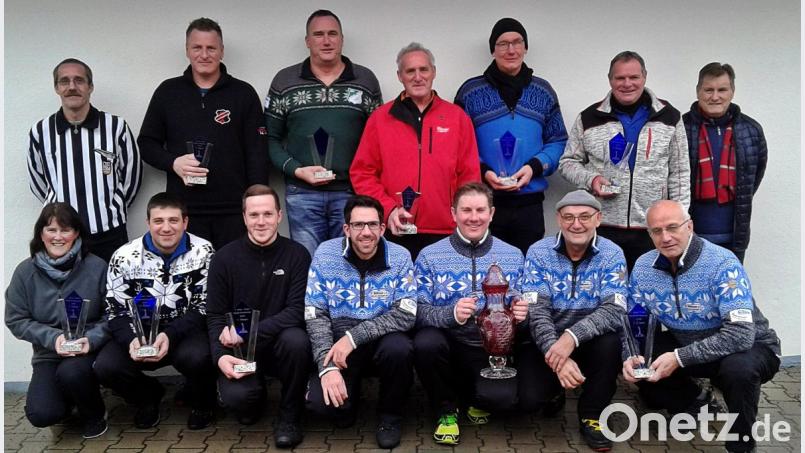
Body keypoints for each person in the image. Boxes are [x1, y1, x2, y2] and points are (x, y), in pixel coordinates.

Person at [623, 200, 780, 453]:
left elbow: (740, 335)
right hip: (690, 347)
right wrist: (630, 355)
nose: (666, 237)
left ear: (690, 226)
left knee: (738, 371)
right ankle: (696, 401)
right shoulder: (643, 267)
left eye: (673, 227)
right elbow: (634, 321)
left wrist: (679, 357)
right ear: (649, 234)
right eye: (657, 231)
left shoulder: (722, 263)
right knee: (644, 362)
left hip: (751, 347)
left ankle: (741, 444)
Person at [413, 182, 528, 445]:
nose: (473, 217)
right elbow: (416, 311)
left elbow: (526, 304)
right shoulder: (430, 256)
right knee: (425, 342)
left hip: (490, 352)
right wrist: (451, 314)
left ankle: (475, 395)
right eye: (466, 210)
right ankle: (446, 410)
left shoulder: (513, 255)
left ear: (492, 213)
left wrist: (523, 313)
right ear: (453, 213)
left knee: (502, 400)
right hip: (448, 347)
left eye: (480, 210)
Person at [138, 17, 268, 250]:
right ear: (187, 50)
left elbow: (257, 153)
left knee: (233, 280)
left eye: (211, 48)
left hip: (233, 211)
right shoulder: (168, 92)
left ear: (222, 51)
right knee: (189, 283)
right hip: (184, 212)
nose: (204, 55)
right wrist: (173, 162)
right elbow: (147, 144)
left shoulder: (243, 93)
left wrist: (256, 207)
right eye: (197, 47)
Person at [93, 192, 217, 430]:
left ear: (185, 222)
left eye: (173, 220)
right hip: (139, 333)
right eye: (159, 221)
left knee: (200, 356)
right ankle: (147, 397)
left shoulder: (204, 251)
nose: (166, 228)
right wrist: (131, 340)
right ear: (148, 223)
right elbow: (115, 309)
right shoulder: (124, 256)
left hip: (183, 333)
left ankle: (203, 403)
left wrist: (169, 335)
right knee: (106, 366)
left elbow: (204, 306)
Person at [558, 51, 690, 271]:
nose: (627, 84)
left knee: (648, 293)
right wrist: (592, 179)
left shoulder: (669, 117)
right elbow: (567, 162)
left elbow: (679, 172)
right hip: (602, 225)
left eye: (634, 77)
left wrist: (679, 222)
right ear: (610, 80)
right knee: (608, 293)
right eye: (620, 78)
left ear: (644, 77)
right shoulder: (589, 118)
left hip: (654, 228)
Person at [266, 10, 382, 258]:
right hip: (302, 194)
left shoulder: (365, 80)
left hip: (351, 193)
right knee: (309, 265)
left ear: (342, 38)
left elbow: (377, 142)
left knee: (348, 264)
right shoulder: (284, 81)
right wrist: (297, 170)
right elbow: (270, 140)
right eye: (318, 35)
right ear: (307, 41)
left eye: (332, 34)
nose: (326, 41)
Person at [350, 42, 481, 261]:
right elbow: (362, 173)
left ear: (434, 72)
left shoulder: (457, 118)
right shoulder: (380, 119)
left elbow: (470, 176)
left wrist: (461, 218)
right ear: (400, 76)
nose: (418, 77)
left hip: (444, 232)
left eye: (424, 69)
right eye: (410, 71)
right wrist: (388, 209)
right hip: (394, 230)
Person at [304, 194, 416, 448]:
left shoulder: (400, 257)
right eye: (358, 225)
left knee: (400, 348)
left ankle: (390, 416)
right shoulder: (325, 254)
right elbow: (315, 313)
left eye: (372, 225)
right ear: (346, 229)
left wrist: (354, 337)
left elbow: (407, 313)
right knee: (327, 410)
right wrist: (327, 367)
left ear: (382, 227)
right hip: (340, 350)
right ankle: (346, 401)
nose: (366, 232)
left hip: (381, 343)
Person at [519, 190, 628, 451]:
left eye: (584, 217)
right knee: (529, 401)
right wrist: (557, 355)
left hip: (591, 341)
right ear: (558, 219)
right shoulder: (539, 251)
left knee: (611, 341)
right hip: (548, 341)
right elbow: (537, 310)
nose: (576, 224)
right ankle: (555, 390)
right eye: (568, 217)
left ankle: (592, 414)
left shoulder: (612, 253)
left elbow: (614, 309)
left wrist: (572, 337)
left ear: (598, 219)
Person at [206, 184, 311, 448]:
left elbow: (297, 311)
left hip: (280, 346)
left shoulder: (297, 255)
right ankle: (255, 395)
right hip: (240, 351)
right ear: (244, 217)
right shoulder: (223, 258)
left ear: (279, 216)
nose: (261, 222)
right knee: (241, 403)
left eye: (267, 214)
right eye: (254, 215)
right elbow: (215, 315)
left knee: (297, 341)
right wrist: (220, 355)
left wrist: (249, 331)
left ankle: (290, 415)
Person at [454, 18, 568, 254]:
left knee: (527, 269)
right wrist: (483, 171)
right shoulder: (470, 92)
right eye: (503, 43)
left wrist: (534, 167)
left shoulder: (543, 91)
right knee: (485, 269)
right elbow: (457, 145)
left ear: (525, 48)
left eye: (517, 42)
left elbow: (558, 140)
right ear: (492, 49)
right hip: (483, 203)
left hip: (530, 203)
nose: (511, 49)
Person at [5, 203, 110, 438]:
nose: (58, 237)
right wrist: (54, 339)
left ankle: (94, 415)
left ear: (77, 233)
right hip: (48, 354)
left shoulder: (97, 267)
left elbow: (111, 315)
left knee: (73, 373)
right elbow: (15, 319)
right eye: (51, 230)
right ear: (41, 234)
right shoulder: (24, 272)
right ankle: (68, 404)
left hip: (87, 350)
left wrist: (90, 339)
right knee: (42, 414)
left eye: (65, 230)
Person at [27, 58, 142, 262]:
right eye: (64, 81)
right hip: (61, 237)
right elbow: (39, 183)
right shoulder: (40, 132)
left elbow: (132, 178)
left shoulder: (116, 127)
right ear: (56, 88)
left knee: (113, 292)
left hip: (109, 234)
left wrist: (110, 208)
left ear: (90, 87)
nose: (72, 87)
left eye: (79, 80)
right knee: (68, 295)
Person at [683, 63, 767, 263]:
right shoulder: (681, 128)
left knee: (730, 292)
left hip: (734, 237)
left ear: (732, 92)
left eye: (722, 90)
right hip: (688, 236)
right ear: (698, 92)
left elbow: (753, 178)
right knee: (691, 293)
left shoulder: (751, 130)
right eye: (708, 90)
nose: (715, 97)